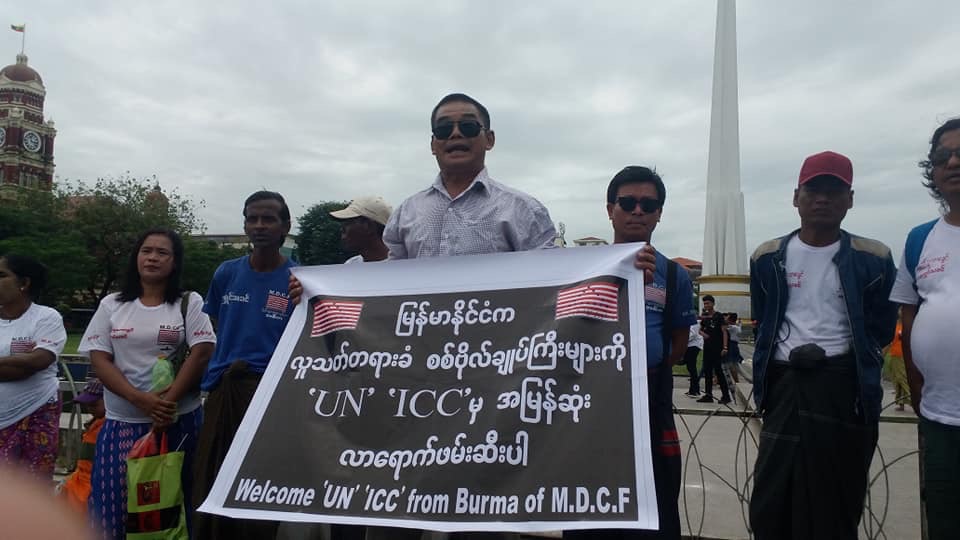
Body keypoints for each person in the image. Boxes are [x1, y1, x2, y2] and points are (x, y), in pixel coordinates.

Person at [749, 151, 897, 539]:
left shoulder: (874, 259)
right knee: (772, 501)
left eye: (835, 190)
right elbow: (764, 319)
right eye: (814, 189)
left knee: (836, 502)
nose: (823, 199)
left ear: (850, 198)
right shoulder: (768, 258)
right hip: (785, 389)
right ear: (796, 196)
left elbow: (881, 328)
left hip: (842, 392)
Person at [564, 166, 696, 539]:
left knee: (654, 506)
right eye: (628, 202)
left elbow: (677, 347)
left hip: (650, 405)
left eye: (648, 204)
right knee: (587, 505)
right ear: (610, 209)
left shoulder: (674, 277)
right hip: (591, 407)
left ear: (659, 213)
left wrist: (638, 370)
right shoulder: (580, 270)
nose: (638, 210)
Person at [80, 228, 216, 539]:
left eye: (162, 252)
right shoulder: (112, 304)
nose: (152, 257)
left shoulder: (189, 302)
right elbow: (100, 358)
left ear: (174, 261)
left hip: (178, 424)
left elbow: (202, 350)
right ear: (136, 257)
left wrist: (166, 403)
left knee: (177, 505)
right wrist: (140, 399)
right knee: (112, 508)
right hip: (122, 423)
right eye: (146, 251)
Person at [193, 191, 296, 540]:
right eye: (252, 218)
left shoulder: (299, 280)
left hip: (270, 393)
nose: (259, 226)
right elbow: (221, 326)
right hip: (224, 390)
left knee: (259, 480)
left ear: (285, 227)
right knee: (212, 474)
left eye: (268, 219)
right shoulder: (226, 273)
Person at [889, 117, 960, 539]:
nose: (952, 162)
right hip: (940, 416)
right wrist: (915, 384)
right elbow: (909, 313)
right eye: (942, 157)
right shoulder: (920, 239)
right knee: (945, 520)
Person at [0, 254, 67, 480]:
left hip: (36, 412)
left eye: (2, 275)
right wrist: (20, 363)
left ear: (24, 283)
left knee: (31, 492)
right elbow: (24, 365)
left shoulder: (46, 317)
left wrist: (26, 364)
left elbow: (38, 361)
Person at [60, 378, 106, 514]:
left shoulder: (106, 429)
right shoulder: (95, 425)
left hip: (89, 488)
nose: (90, 409)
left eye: (94, 404)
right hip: (80, 481)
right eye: (88, 405)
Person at [329, 196, 393, 264]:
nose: (342, 230)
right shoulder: (350, 265)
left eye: (348, 223)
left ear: (368, 226)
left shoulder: (400, 267)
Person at [696, 295, 730, 404]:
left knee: (719, 372)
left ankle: (726, 396)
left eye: (708, 303)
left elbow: (724, 332)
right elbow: (699, 329)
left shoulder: (719, 316)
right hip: (707, 348)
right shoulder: (705, 317)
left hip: (717, 347)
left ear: (713, 304)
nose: (706, 305)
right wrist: (703, 334)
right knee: (707, 371)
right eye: (705, 303)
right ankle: (708, 395)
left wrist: (725, 347)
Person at [883, 317, 908, 411]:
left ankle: (914, 400)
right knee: (896, 379)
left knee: (902, 378)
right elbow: (890, 342)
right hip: (894, 355)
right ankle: (901, 403)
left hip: (904, 356)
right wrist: (884, 353)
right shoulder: (895, 325)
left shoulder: (907, 324)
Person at [683, 323, 704, 397]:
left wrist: (682, 340)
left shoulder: (695, 323)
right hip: (691, 345)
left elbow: (692, 334)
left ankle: (694, 390)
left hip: (694, 346)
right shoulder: (691, 322)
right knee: (690, 367)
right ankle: (694, 389)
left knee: (691, 367)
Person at [723, 313, 742, 384]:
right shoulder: (737, 327)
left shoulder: (732, 328)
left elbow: (724, 327)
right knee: (732, 364)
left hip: (731, 345)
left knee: (731, 364)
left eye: (727, 318)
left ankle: (736, 381)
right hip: (734, 345)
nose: (726, 319)